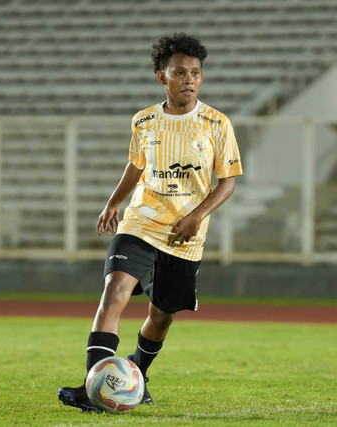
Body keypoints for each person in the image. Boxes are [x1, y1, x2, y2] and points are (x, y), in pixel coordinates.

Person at [57, 32, 243, 412]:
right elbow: (136, 165)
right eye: (180, 73)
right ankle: (95, 387)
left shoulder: (216, 124)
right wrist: (114, 202)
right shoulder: (144, 121)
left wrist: (197, 216)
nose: (189, 79)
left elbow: (228, 182)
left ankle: (137, 377)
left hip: (184, 236)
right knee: (114, 294)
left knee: (161, 317)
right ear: (163, 77)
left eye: (195, 73)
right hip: (140, 223)